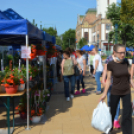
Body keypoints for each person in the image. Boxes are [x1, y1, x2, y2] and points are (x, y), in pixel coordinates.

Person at [100, 44, 134, 134]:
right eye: (120, 53)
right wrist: (104, 94)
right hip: (115, 91)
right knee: (112, 112)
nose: (123, 55)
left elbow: (129, 77)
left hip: (126, 91)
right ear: (114, 52)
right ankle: (109, 128)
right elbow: (108, 80)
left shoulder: (126, 61)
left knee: (127, 114)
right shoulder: (111, 64)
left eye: (124, 52)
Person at [102, 53, 120, 129]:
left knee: (117, 102)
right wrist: (103, 79)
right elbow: (105, 70)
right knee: (110, 101)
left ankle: (115, 120)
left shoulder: (121, 59)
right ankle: (110, 117)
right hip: (110, 83)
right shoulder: (109, 58)